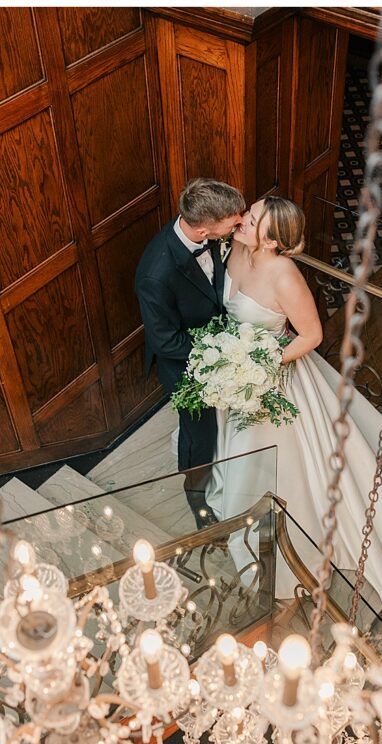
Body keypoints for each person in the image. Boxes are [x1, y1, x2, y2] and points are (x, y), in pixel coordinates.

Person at [207, 196, 382, 650]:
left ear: (274, 240)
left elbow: (312, 335)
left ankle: (286, 545)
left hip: (271, 379)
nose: (242, 221)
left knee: (281, 464)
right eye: (248, 214)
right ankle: (239, 519)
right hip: (238, 375)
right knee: (241, 450)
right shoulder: (237, 248)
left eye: (253, 220)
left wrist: (262, 364)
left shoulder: (284, 275)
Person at [135, 178, 245, 528]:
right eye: (234, 221)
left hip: (220, 343)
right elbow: (166, 343)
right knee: (199, 436)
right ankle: (197, 502)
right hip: (185, 366)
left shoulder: (207, 231)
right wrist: (219, 351)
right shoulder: (156, 273)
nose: (240, 222)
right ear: (202, 231)